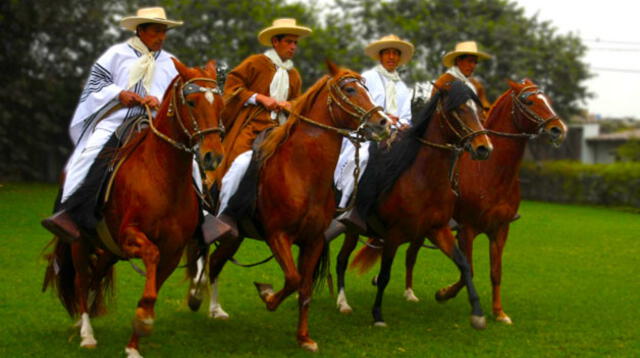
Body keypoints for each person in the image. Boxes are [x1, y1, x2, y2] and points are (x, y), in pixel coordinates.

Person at [41, 7, 183, 242]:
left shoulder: (171, 62)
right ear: (140, 30)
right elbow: (95, 84)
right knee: (89, 154)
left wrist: (158, 100)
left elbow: (178, 98)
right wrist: (119, 93)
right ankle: (68, 212)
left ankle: (203, 218)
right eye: (156, 31)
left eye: (164, 31)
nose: (161, 37)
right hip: (119, 119)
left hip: (156, 125)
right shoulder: (117, 54)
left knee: (192, 161)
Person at [208, 18, 312, 239]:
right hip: (252, 126)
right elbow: (231, 86)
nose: (294, 47)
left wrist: (290, 105)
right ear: (276, 41)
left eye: (296, 43)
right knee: (236, 163)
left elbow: (297, 102)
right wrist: (259, 98)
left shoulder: (294, 75)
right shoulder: (256, 62)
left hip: (280, 129)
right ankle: (222, 214)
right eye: (289, 42)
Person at [326, 34, 414, 239]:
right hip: (366, 134)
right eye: (387, 53)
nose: (391, 57)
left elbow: (407, 116)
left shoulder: (402, 87)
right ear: (380, 56)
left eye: (395, 53)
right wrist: (384, 117)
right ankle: (347, 206)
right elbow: (362, 105)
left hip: (394, 136)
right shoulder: (368, 78)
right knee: (366, 158)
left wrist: (402, 125)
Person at [433, 41, 492, 112]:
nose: (473, 66)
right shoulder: (443, 82)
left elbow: (485, 108)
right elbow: (435, 111)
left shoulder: (476, 85)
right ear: (458, 61)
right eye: (470, 61)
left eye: (475, 62)